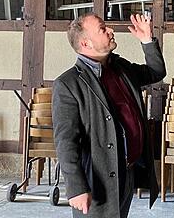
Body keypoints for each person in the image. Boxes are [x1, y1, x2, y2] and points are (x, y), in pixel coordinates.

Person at [52, 12, 166, 217]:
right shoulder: (69, 84)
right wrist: (76, 188)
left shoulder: (120, 68)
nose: (111, 31)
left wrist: (147, 40)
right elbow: (65, 141)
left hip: (126, 171)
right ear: (86, 44)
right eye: (103, 29)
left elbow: (156, 72)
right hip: (97, 181)